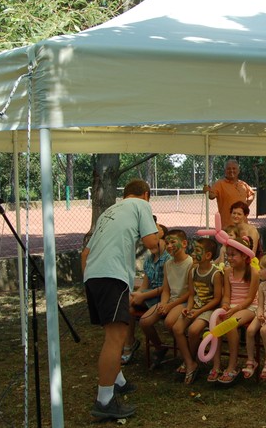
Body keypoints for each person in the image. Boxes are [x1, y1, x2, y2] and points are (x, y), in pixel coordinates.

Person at [82, 179, 159, 420]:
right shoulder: (141, 205)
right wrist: (160, 235)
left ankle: (118, 380)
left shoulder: (109, 211)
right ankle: (104, 401)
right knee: (115, 338)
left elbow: (86, 252)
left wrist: (89, 280)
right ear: (145, 195)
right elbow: (151, 243)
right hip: (111, 276)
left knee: (113, 332)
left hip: (94, 275)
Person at [139, 229, 193, 370]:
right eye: (167, 243)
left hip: (184, 301)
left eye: (173, 242)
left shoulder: (191, 263)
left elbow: (190, 292)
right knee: (144, 321)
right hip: (170, 301)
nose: (169, 246)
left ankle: (187, 355)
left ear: (184, 243)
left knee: (169, 322)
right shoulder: (168, 264)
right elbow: (166, 290)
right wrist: (163, 304)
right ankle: (160, 348)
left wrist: (169, 306)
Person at [172, 237, 223, 385]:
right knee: (177, 328)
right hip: (195, 307)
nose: (193, 253)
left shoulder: (215, 274)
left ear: (208, 255)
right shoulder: (193, 271)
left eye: (197, 251)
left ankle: (191, 361)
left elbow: (217, 299)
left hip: (208, 309)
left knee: (194, 330)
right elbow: (192, 294)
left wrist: (199, 311)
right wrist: (188, 308)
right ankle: (190, 362)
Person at [210, 236, 259, 384]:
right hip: (232, 306)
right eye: (228, 255)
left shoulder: (253, 272)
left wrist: (235, 309)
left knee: (230, 324)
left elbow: (250, 298)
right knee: (216, 323)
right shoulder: (227, 271)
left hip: (249, 307)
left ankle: (232, 366)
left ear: (244, 256)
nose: (229, 258)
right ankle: (216, 365)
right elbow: (227, 295)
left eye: (233, 255)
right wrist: (225, 305)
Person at [122, 222, 169, 365]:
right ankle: (130, 342)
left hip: (163, 296)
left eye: (157, 242)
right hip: (150, 296)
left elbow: (166, 288)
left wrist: (142, 296)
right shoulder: (149, 259)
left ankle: (130, 344)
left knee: (131, 306)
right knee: (128, 306)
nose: (152, 246)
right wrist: (137, 294)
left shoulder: (168, 259)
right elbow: (144, 285)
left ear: (165, 241)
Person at [202, 159, 255, 228]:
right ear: (225, 171)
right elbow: (211, 196)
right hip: (228, 227)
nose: (231, 171)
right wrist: (207, 191)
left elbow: (252, 194)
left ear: (238, 171)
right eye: (228, 169)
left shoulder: (243, 184)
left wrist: (245, 206)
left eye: (234, 168)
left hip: (243, 226)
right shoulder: (220, 184)